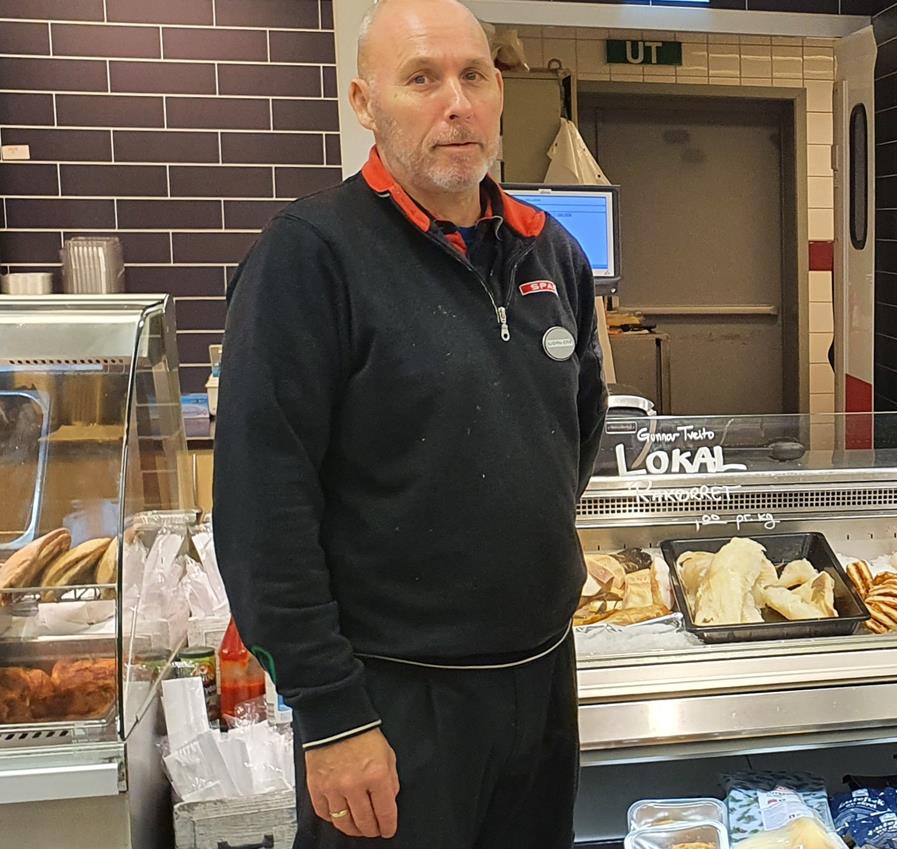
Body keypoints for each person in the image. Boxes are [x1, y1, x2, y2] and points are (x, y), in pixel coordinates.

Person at [213, 0, 608, 844]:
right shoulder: (309, 256)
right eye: (422, 79)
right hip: (393, 701)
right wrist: (332, 713)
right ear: (365, 103)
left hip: (542, 681)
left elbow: (571, 438)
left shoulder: (553, 252)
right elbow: (261, 510)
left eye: (474, 76)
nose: (456, 103)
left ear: (499, 94)